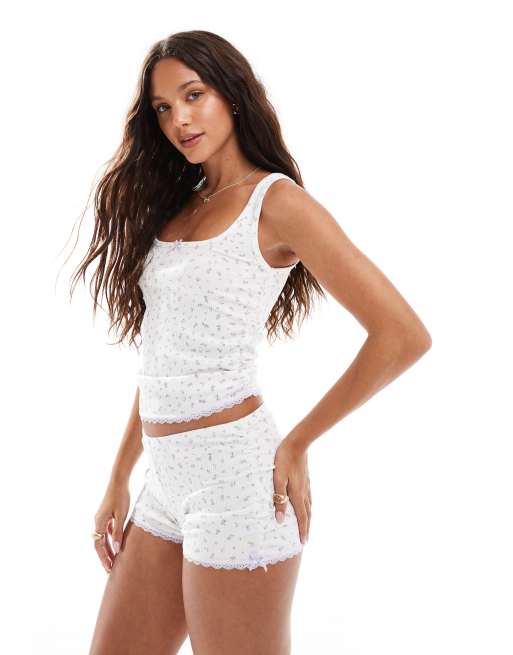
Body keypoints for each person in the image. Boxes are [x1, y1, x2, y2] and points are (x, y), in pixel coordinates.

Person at [69, 30, 431, 655]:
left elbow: (401, 334)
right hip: (164, 485)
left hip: (237, 483)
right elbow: (164, 360)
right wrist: (119, 475)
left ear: (232, 96)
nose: (179, 119)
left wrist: (299, 440)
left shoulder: (276, 202)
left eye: (194, 95)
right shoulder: (180, 207)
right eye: (163, 107)